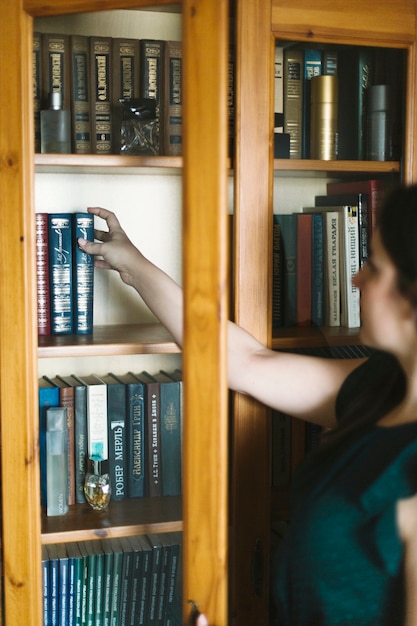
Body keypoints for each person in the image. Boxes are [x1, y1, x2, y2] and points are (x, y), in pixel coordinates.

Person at [78, 184, 417, 626]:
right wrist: (134, 266)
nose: (355, 277)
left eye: (373, 264)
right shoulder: (379, 387)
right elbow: (246, 362)